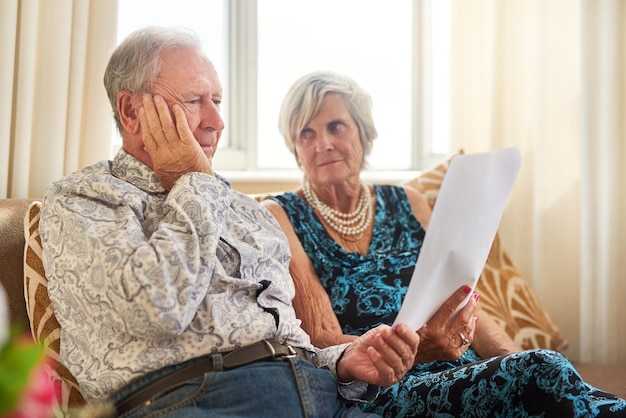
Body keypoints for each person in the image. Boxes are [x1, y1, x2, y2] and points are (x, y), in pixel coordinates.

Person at [38, 27, 420, 418]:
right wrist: (195, 182)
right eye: (194, 100)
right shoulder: (84, 198)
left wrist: (342, 360)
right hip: (199, 402)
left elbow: (288, 338)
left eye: (217, 101)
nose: (217, 121)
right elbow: (158, 308)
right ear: (131, 111)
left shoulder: (247, 211)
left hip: (317, 395)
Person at [261, 70, 626, 417]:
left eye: (335, 126)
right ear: (295, 148)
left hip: (462, 368)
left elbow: (463, 301)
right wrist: (416, 350)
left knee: (544, 369)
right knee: (543, 371)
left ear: (364, 133)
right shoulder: (281, 215)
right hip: (384, 386)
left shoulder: (409, 202)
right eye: (305, 134)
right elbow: (322, 339)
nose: (322, 143)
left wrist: (512, 359)